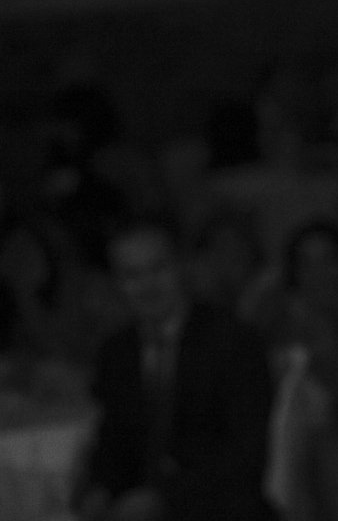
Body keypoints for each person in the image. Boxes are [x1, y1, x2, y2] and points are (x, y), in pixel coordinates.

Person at [72, 216, 277, 521]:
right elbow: (114, 441)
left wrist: (164, 500)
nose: (147, 286)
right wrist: (101, 489)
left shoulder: (231, 341)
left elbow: (245, 454)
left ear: (181, 266)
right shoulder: (117, 352)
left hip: (221, 509)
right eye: (132, 275)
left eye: (158, 269)